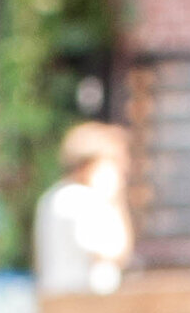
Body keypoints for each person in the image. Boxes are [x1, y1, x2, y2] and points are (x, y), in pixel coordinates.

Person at [33, 121, 133, 293]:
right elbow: (113, 252)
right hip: (83, 304)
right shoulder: (82, 199)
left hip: (57, 298)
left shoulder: (53, 197)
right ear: (92, 164)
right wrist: (115, 200)